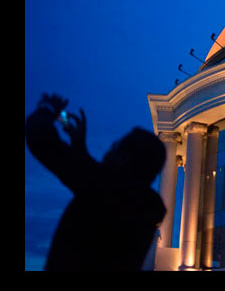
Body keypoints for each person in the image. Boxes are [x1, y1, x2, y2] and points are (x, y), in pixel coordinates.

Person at [25, 93, 166, 270]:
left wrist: (47, 109)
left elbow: (41, 140)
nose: (109, 150)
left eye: (116, 146)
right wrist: (79, 147)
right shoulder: (144, 207)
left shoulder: (105, 190)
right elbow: (95, 178)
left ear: (125, 157)